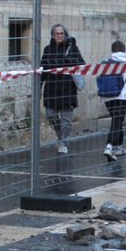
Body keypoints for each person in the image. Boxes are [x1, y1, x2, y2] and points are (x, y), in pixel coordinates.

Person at [39, 24, 84, 155]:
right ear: (53, 35)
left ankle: (63, 142)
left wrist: (68, 60)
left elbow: (81, 64)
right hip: (51, 89)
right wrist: (39, 86)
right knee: (50, 115)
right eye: (57, 33)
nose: (59, 36)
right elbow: (43, 68)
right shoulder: (48, 49)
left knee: (66, 121)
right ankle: (61, 137)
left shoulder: (72, 48)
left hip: (67, 89)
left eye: (62, 33)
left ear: (65, 34)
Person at [99, 40, 126, 161]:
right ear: (124, 49)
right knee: (117, 121)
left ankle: (118, 146)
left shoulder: (106, 62)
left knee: (117, 120)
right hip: (121, 96)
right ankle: (110, 146)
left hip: (107, 97)